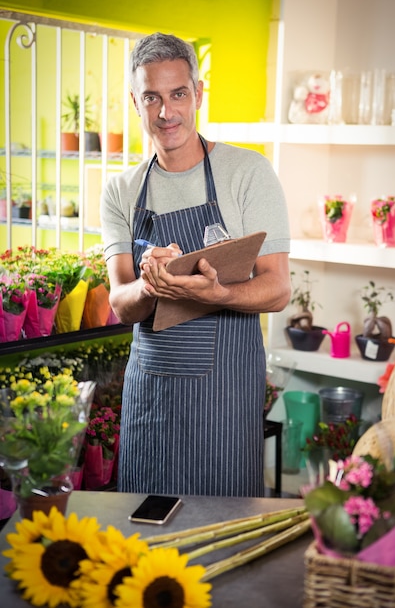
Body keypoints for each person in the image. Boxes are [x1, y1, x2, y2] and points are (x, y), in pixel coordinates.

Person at [100, 32, 291, 498]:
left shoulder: (248, 173)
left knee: (225, 528)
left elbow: (278, 289)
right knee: (143, 526)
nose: (167, 113)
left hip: (224, 396)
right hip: (153, 395)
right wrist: (152, 285)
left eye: (178, 94)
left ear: (198, 93)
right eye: (152, 98)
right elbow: (121, 303)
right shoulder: (121, 191)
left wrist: (220, 295)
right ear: (136, 101)